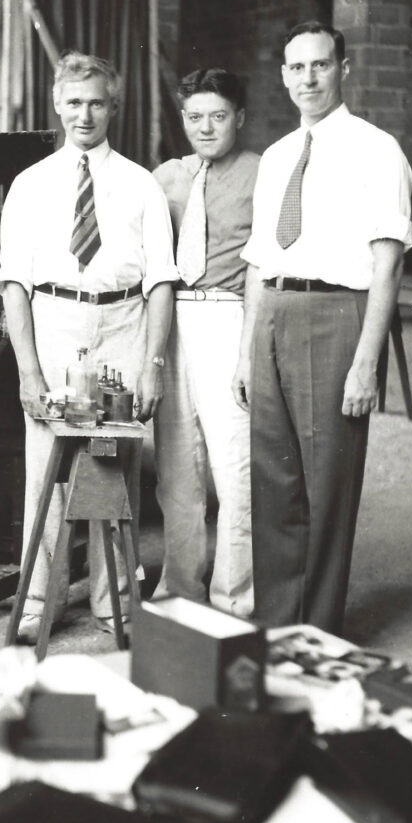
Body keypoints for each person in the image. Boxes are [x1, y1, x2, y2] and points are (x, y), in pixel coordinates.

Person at [232, 21, 412, 634]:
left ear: (344, 67)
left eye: (321, 65)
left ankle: (319, 632)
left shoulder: (376, 149)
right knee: (275, 482)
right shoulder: (279, 155)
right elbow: (260, 260)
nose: (308, 78)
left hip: (338, 317)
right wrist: (244, 353)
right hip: (274, 317)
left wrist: (367, 360)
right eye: (296, 68)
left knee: (326, 486)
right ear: (283, 76)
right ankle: (279, 625)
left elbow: (388, 263)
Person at [0, 50, 177, 644]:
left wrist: (152, 366)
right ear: (57, 104)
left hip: (121, 324)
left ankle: (114, 601)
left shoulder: (140, 183)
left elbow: (160, 282)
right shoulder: (29, 184)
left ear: (113, 107)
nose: (85, 113)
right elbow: (14, 283)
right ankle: (39, 601)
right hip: (55, 325)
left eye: (97, 102)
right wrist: (28, 371)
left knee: (112, 465)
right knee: (45, 470)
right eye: (74, 102)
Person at [152, 68, 257, 617]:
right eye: (195, 117)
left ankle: (235, 597)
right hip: (172, 322)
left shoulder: (263, 173)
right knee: (176, 467)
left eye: (218, 116)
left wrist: (249, 351)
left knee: (234, 464)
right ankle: (179, 590)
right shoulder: (167, 176)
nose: (206, 128)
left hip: (227, 317)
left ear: (239, 117)